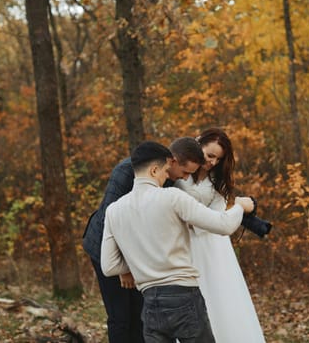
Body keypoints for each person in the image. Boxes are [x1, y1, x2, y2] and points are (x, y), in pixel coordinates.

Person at [101, 141, 255, 343]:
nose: (168, 177)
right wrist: (240, 207)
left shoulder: (113, 210)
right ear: (154, 170)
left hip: (149, 304)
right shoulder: (173, 197)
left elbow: (109, 266)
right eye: (165, 171)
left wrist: (141, 262)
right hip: (183, 297)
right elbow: (223, 225)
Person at [82, 137, 205, 343]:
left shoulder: (169, 179)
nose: (185, 178)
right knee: (120, 317)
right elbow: (108, 220)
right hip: (106, 249)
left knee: (141, 315)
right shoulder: (126, 172)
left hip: (138, 254)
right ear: (171, 162)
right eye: (185, 172)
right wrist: (125, 268)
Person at [174, 128, 266, 342]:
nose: (213, 162)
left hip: (212, 243)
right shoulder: (178, 169)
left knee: (220, 297)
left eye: (218, 158)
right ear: (198, 146)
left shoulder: (218, 179)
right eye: (210, 155)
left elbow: (218, 215)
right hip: (182, 242)